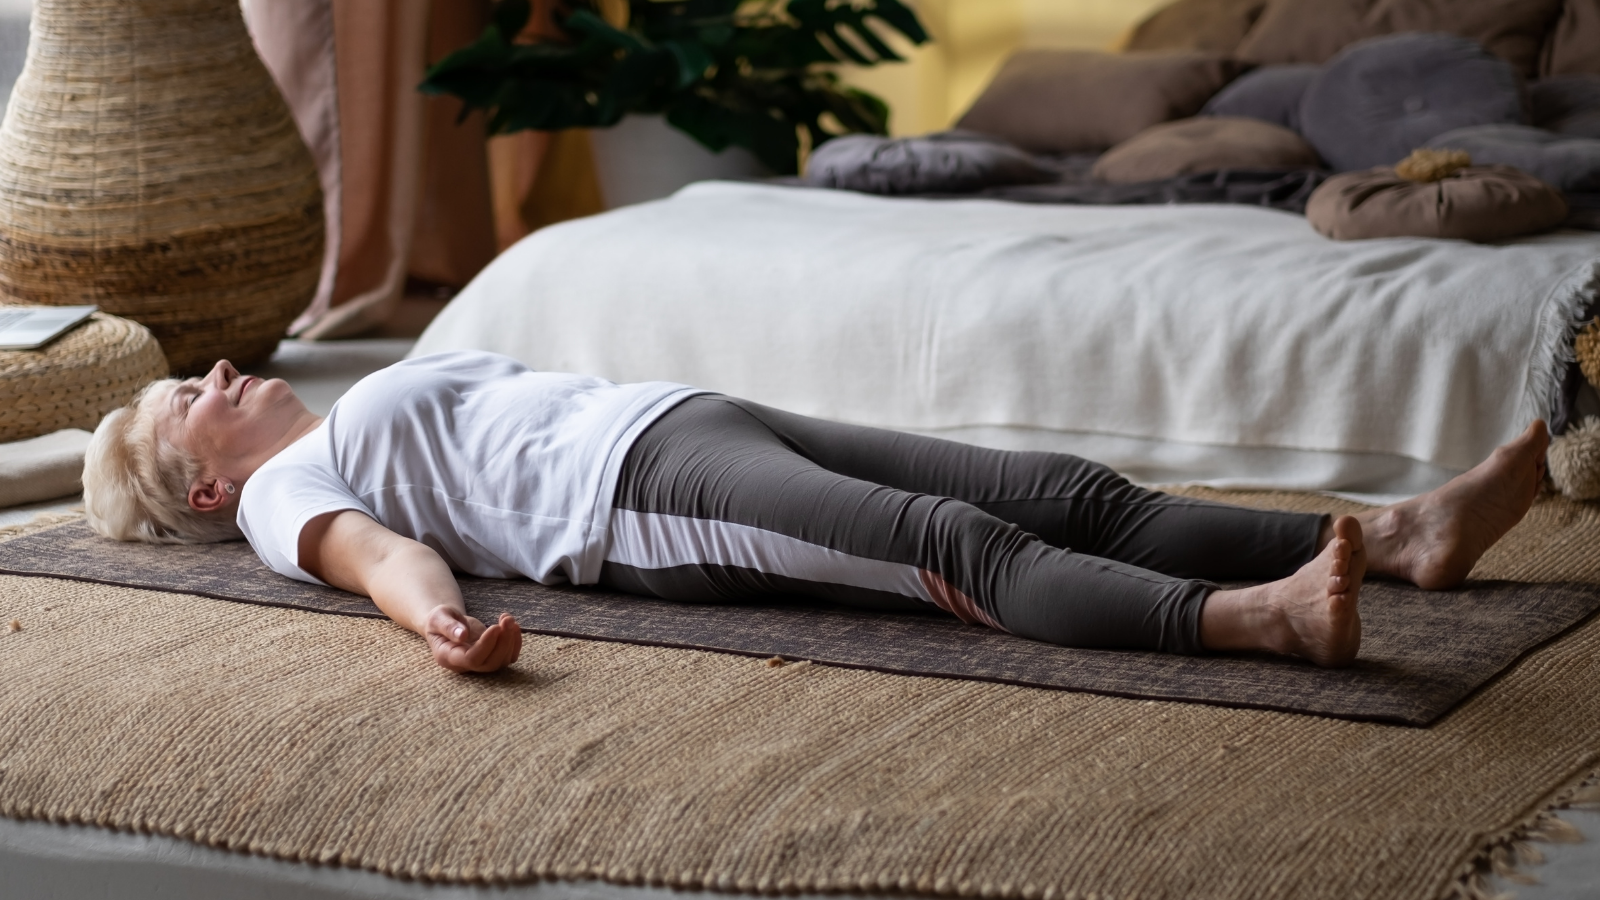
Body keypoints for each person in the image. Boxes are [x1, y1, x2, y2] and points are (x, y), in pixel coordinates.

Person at [82, 351, 1549, 675]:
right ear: (207, 486)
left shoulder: (333, 409)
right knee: (957, 553)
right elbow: (378, 555)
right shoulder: (285, 497)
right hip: (643, 501)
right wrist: (439, 623)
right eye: (186, 400)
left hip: (685, 419)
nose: (216, 375)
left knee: (1064, 489)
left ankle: (1400, 539)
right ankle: (1254, 622)